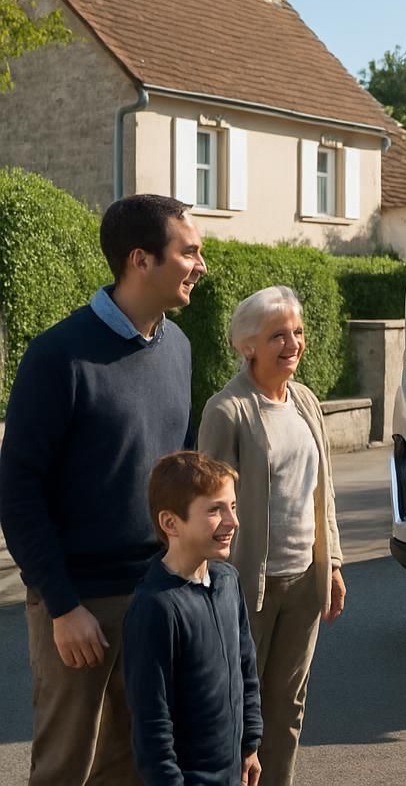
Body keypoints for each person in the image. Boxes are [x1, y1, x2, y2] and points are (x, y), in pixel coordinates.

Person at [0, 194, 204, 785]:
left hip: (157, 594)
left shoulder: (180, 349)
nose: (200, 265)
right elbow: (18, 492)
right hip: (78, 603)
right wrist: (62, 607)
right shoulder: (57, 356)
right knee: (67, 767)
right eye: (188, 251)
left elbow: (178, 477)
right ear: (141, 260)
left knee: (140, 763)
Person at [199, 285, 344, 786]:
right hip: (246, 587)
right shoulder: (227, 411)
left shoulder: (305, 401)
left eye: (298, 332)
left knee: (288, 707)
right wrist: (207, 586)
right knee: (237, 712)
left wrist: (335, 562)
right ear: (247, 346)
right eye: (278, 335)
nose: (293, 343)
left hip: (305, 579)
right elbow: (209, 511)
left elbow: (321, 491)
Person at [123, 451, 261, 785]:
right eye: (215, 510)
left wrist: (250, 745)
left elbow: (246, 667)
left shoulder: (228, 581)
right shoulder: (156, 607)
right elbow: (152, 723)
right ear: (171, 523)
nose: (233, 521)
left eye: (233, 507)